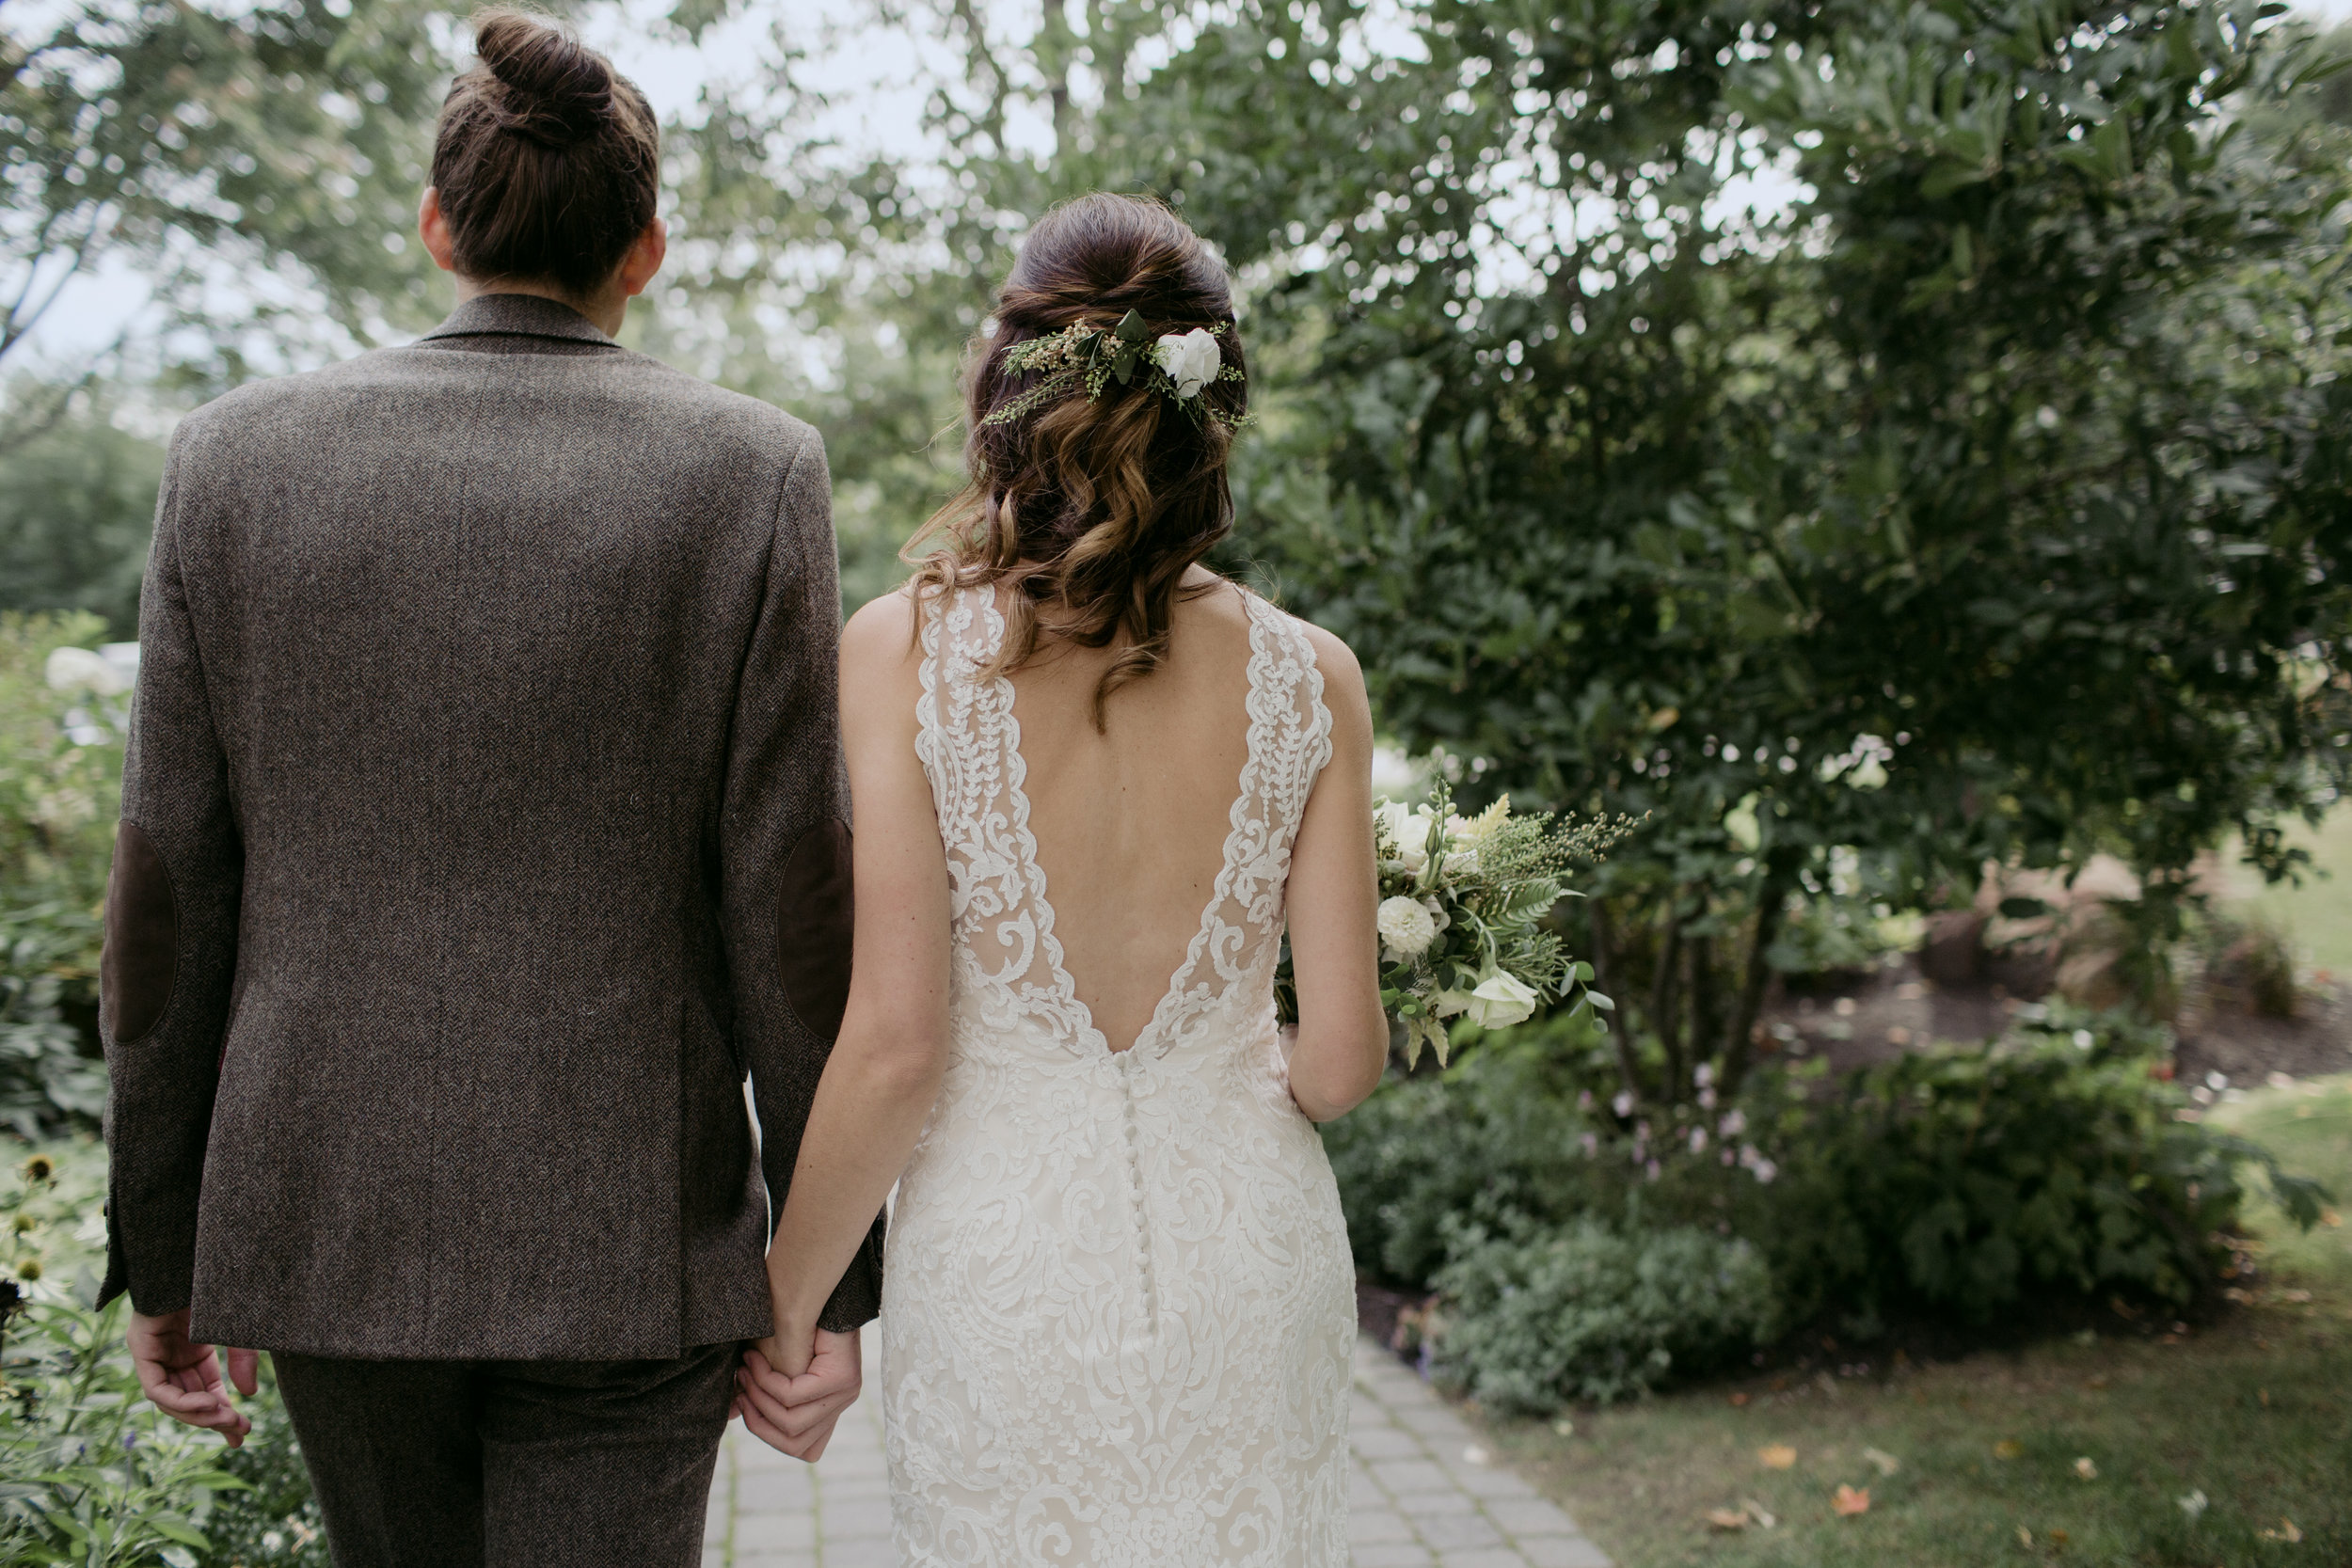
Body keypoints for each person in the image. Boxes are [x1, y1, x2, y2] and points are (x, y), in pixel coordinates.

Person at [98, 13, 876, 1563]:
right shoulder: (752, 473)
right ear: (643, 250)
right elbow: (791, 905)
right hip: (631, 1241)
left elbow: (168, 897)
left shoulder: (231, 463)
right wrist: (825, 1282)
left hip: (331, 1216)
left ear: (439, 228)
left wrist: (163, 1248)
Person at [739, 192, 1391, 1565]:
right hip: (1251, 1268)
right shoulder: (1313, 676)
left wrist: (789, 1301)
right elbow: (1338, 1063)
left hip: (1004, 1274)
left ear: (1007, 391)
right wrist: (1234, 1052)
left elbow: (899, 1044)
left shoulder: (901, 648)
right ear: (1213, 407)